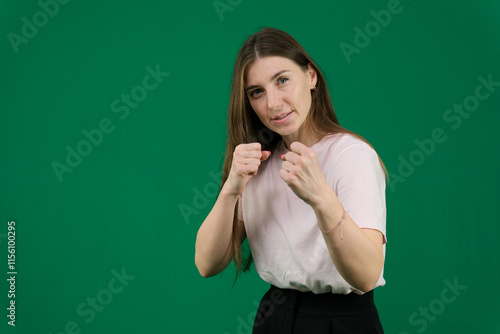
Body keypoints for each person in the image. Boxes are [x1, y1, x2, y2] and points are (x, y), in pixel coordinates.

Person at [195, 27, 387, 333]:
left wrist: (320, 197)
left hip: (342, 321)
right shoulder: (255, 164)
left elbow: (366, 275)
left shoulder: (351, 155)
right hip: (275, 316)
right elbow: (206, 264)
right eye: (257, 92)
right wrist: (231, 189)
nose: (273, 103)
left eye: (282, 80)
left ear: (311, 77)